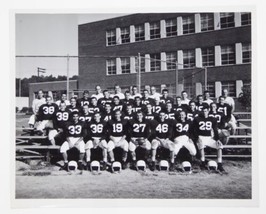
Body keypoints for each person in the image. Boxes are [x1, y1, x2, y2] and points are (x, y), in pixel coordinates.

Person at [193, 107, 226, 173]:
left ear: (208, 111)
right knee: (201, 145)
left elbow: (215, 130)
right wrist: (197, 138)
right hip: (201, 137)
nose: (204, 112)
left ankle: (219, 164)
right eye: (203, 111)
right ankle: (202, 163)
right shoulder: (197, 119)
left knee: (220, 146)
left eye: (205, 111)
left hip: (209, 138)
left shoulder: (212, 119)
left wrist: (217, 139)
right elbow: (194, 130)